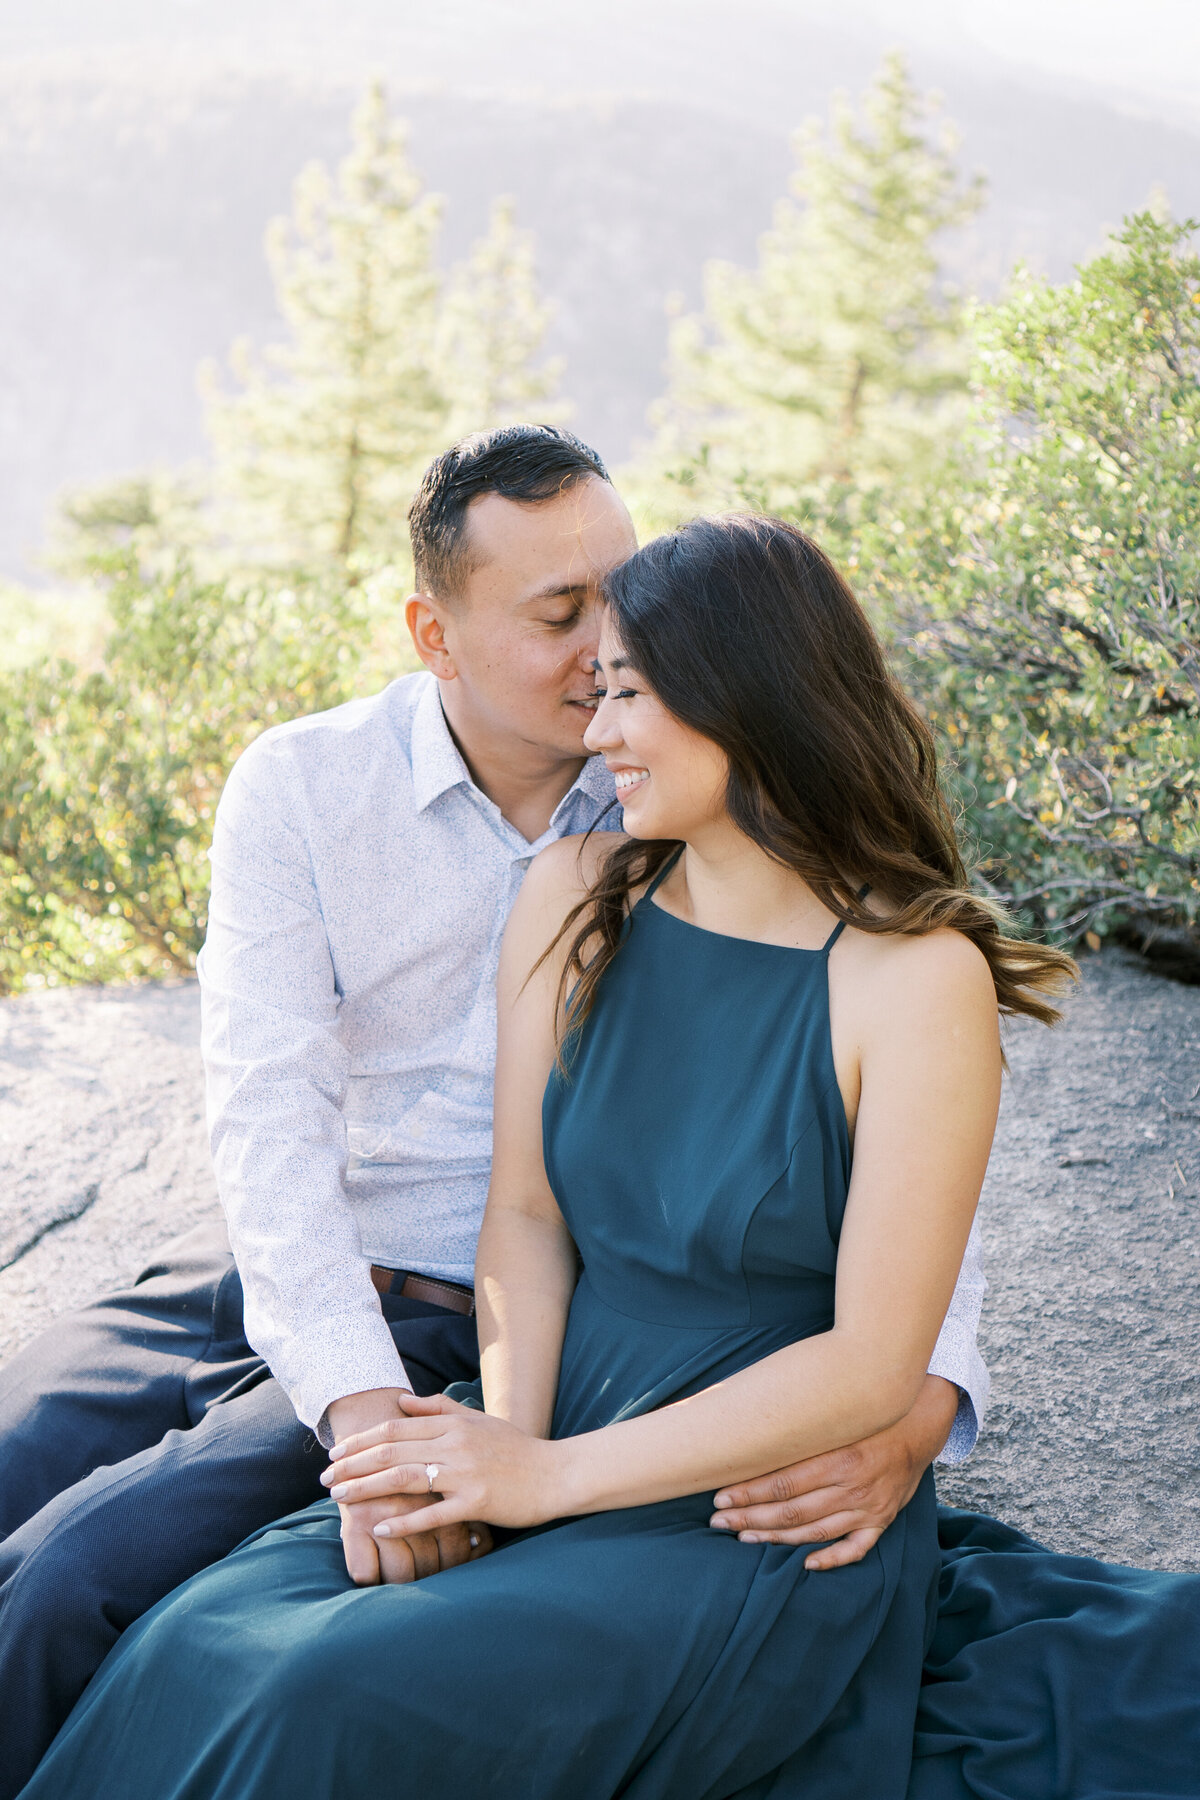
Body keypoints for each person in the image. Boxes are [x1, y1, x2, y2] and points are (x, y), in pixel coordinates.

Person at [16, 512, 1100, 1800]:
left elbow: (876, 1348)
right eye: (587, 670)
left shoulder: (916, 981)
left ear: (746, 697)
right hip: (543, 1400)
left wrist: (554, 1477)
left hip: (738, 1495)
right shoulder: (579, 892)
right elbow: (523, 1220)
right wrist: (493, 1461)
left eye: (631, 689)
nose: (597, 728)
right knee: (203, 1639)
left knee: (321, 1687)